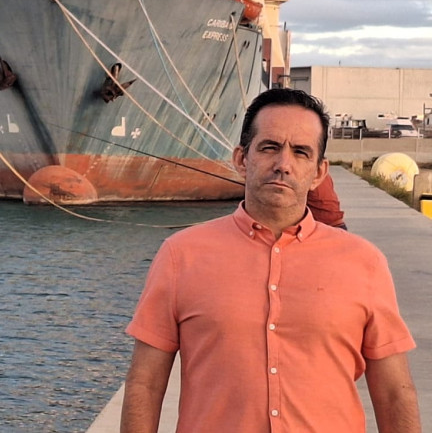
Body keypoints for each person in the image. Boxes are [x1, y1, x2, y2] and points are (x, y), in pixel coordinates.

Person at [121, 88, 419, 432]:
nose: (283, 164)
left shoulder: (364, 263)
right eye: (269, 147)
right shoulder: (180, 256)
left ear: (320, 172)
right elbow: (145, 383)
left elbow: (395, 392)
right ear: (242, 159)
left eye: (301, 152)